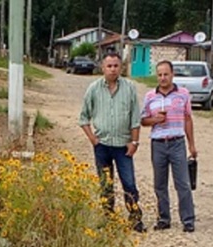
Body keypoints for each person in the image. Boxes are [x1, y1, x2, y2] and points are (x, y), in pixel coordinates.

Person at [78, 53, 145, 233]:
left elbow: (135, 118)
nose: (113, 69)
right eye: (109, 66)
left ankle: (135, 218)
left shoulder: (130, 88)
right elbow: (83, 118)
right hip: (103, 145)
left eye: (116, 66)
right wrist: (93, 139)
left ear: (121, 67)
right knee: (105, 183)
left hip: (123, 146)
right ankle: (108, 217)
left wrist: (135, 141)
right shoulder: (93, 89)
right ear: (103, 67)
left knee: (129, 183)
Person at [141, 59, 197, 233]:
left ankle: (188, 220)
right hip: (158, 143)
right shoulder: (150, 96)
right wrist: (154, 120)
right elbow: (143, 120)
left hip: (177, 142)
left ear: (172, 74)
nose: (163, 78)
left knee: (183, 183)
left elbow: (188, 119)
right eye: (159, 75)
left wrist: (192, 144)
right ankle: (164, 218)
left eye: (166, 74)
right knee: (160, 184)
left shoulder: (183, 94)